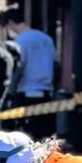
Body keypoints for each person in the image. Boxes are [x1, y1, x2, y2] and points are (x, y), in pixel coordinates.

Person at [4, 9, 57, 139]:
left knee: (25, 135)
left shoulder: (19, 41)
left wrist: (10, 90)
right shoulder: (47, 39)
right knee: (44, 135)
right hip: (46, 92)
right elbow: (56, 64)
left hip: (26, 92)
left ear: (11, 23)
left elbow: (19, 67)